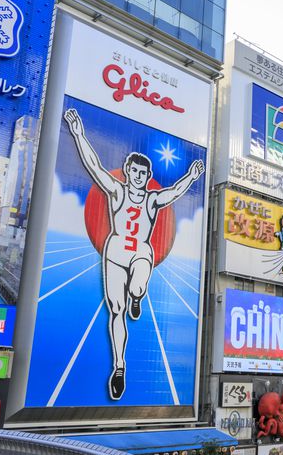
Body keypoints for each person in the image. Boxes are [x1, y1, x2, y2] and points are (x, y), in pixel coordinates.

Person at [64, 108, 205, 400]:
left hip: (141, 251)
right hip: (115, 252)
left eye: (144, 173)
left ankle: (138, 296)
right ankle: (119, 366)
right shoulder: (116, 191)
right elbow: (94, 167)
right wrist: (78, 134)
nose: (139, 176)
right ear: (128, 172)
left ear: (148, 175)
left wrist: (191, 177)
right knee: (116, 311)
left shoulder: (152, 199)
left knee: (138, 286)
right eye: (135, 171)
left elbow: (175, 192)